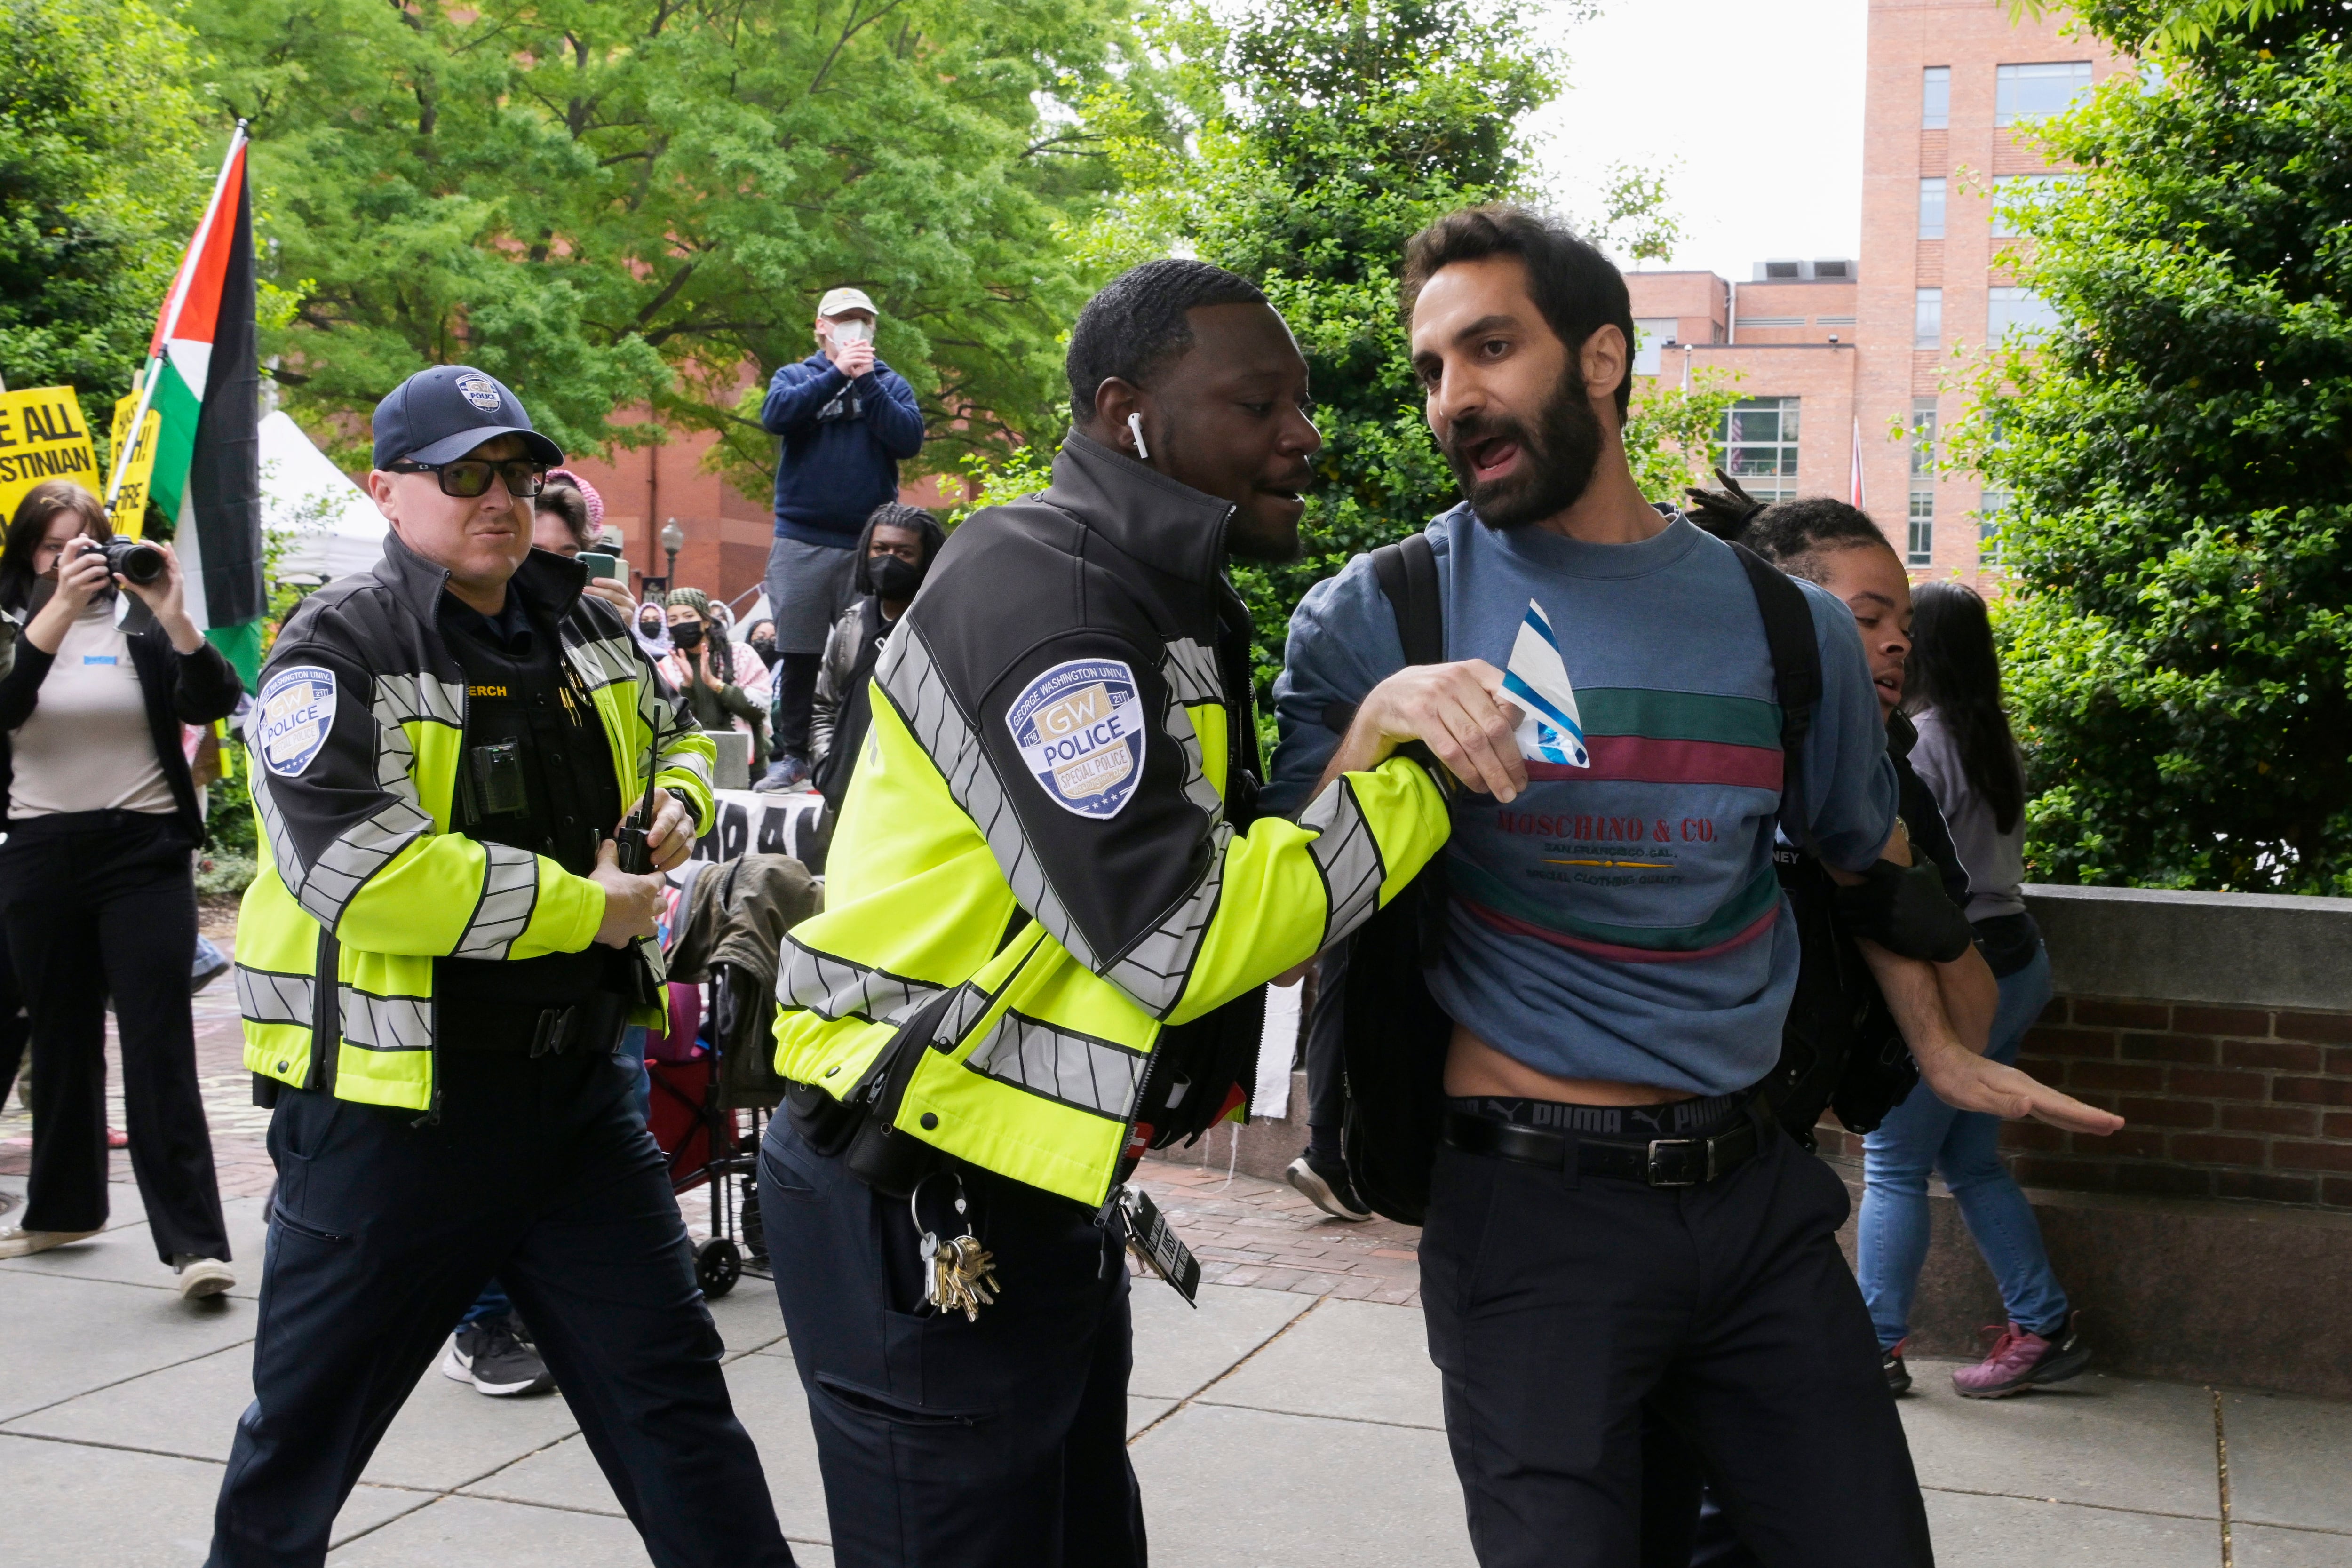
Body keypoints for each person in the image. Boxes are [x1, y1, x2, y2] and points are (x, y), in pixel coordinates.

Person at [1267, 206, 2121, 1568]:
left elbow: (1864, 856)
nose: (1453, 397)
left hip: (1756, 1205)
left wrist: (1942, 1044)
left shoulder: (1789, 629)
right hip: (1529, 1213)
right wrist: (1376, 724)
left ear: (1603, 357)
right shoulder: (1381, 616)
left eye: (1491, 347)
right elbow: (1285, 911)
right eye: (1432, 367)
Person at [762, 259, 1513, 1568]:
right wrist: (1419, 781)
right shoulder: (1051, 593)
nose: (1303, 433)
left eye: (1304, 400)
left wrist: (1372, 742)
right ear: (1129, 413)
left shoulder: (1149, 587)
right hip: (922, 1186)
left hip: (1026, 1179)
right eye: (1259, 401)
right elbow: (1176, 931)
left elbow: (1215, 873)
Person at [207, 364, 794, 1568]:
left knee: (680, 1416)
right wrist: (589, 908)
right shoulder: (337, 647)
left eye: (518, 473)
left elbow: (688, 730)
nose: (499, 497)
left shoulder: (585, 621)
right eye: (463, 474)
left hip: (579, 1107)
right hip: (394, 1121)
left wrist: (677, 805)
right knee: (299, 1453)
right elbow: (358, 871)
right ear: (387, 490)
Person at [0, 481, 242, 1297]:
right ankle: (61, 1207)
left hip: (142, 852)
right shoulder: (12, 629)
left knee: (157, 1038)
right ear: (28, 554)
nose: (74, 559)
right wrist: (56, 613)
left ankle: (195, 1243)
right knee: (61, 1036)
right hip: (38, 849)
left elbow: (216, 697)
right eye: (52, 545)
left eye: (88, 542)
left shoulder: (141, 623)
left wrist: (174, 610)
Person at [1871, 579, 2082, 1397]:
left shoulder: (1920, 741)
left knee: (1893, 1161)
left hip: (1965, 966)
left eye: (1907, 627)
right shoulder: (1989, 734)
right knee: (1969, 1155)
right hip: (2018, 955)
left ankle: (1876, 1347)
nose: (1895, 638)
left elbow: (1894, 863)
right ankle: (2045, 1324)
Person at [756, 285, 925, 790]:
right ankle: (792, 757)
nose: (854, 328)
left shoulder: (890, 384)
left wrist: (866, 381)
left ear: (873, 329)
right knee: (799, 651)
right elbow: (776, 416)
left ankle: (871, 751)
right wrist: (836, 375)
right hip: (801, 537)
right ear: (821, 328)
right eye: (843, 320)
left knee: (871, 652)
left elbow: (908, 438)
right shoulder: (796, 377)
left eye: (862, 321)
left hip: (867, 543)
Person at [794, 501, 945, 807]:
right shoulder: (850, 625)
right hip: (848, 796)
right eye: (881, 549)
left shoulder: (941, 627)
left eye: (904, 553)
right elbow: (825, 704)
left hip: (912, 799)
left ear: (925, 558)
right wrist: (827, 766)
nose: (890, 561)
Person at [661, 587, 771, 765]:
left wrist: (715, 684)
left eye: (689, 616)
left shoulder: (741, 654)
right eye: (673, 619)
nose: (681, 623)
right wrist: (687, 686)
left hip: (747, 764)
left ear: (705, 621)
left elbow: (759, 709)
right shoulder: (667, 667)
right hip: (693, 763)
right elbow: (671, 725)